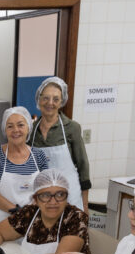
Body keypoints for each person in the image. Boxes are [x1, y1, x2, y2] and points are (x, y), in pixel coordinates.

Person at [28, 77, 90, 212]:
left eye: (56, 99)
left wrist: (85, 205)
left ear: (62, 102)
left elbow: (83, 167)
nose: (50, 103)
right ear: (39, 99)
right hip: (42, 198)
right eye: (46, 98)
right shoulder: (31, 130)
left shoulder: (72, 127)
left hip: (69, 196)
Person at [0, 106, 49, 225]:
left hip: (32, 220)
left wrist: (29, 213)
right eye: (10, 126)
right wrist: (16, 211)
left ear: (28, 127)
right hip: (1, 221)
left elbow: (45, 189)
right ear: (5, 130)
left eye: (20, 125)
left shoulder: (39, 155)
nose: (15, 130)